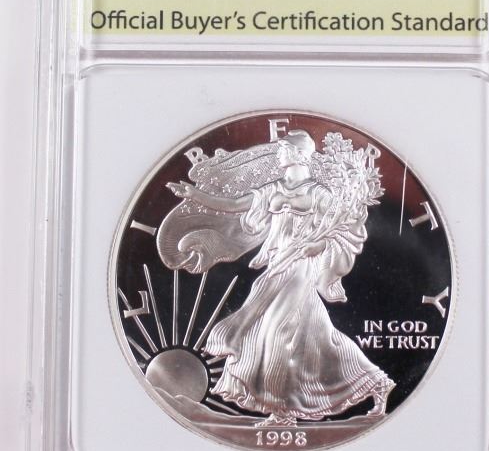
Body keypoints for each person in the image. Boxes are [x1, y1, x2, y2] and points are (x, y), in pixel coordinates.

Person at [159, 130, 395, 426]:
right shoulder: (274, 189)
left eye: (282, 149)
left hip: (301, 268)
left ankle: (282, 412)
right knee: (321, 339)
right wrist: (195, 195)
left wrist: (317, 246)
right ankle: (378, 383)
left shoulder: (320, 194)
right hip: (277, 266)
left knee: (274, 331)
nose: (278, 154)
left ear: (298, 154)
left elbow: (346, 230)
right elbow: (235, 205)